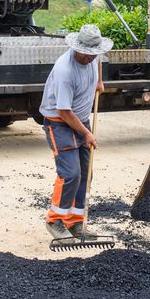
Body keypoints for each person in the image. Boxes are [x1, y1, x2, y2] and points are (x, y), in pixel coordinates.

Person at [39, 24, 111, 240]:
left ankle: (75, 221)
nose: (91, 58)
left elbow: (98, 59)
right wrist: (86, 133)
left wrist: (99, 81)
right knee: (71, 173)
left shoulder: (93, 56)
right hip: (59, 122)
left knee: (86, 173)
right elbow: (64, 111)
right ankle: (54, 220)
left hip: (81, 120)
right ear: (77, 48)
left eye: (93, 53)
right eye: (86, 54)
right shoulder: (65, 70)